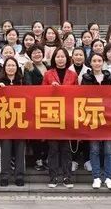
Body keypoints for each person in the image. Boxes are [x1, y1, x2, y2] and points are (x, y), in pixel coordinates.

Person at [80, 53, 111, 189]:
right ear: (90, 63)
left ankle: (108, 177)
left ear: (103, 62)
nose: (97, 63)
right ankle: (96, 177)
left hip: (108, 117)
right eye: (94, 61)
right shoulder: (86, 78)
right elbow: (82, 97)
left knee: (109, 150)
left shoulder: (110, 77)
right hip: (92, 116)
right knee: (94, 149)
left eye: (99, 60)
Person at [42, 48, 77, 188]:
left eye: (63, 56)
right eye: (58, 57)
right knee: (53, 148)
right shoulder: (48, 74)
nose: (60, 59)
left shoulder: (73, 74)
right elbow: (41, 93)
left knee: (66, 149)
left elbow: (77, 94)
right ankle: (53, 177)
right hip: (52, 114)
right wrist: (51, 88)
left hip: (67, 115)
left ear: (67, 59)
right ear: (54, 59)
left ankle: (67, 177)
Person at [0, 57, 26, 187]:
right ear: (4, 67)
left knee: (20, 149)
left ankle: (19, 176)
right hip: (5, 121)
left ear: (17, 67)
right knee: (5, 149)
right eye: (8, 65)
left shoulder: (23, 81)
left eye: (13, 65)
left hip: (20, 120)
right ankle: (5, 176)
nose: (11, 68)